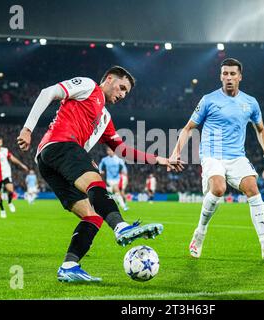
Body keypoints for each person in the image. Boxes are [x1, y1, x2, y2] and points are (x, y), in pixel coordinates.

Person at [17, 66, 183, 282]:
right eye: (121, 87)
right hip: (60, 145)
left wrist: (159, 159)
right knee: (95, 181)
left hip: (51, 161)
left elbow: (122, 150)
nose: (122, 94)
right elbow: (47, 93)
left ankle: (70, 265)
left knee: (92, 217)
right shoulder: (88, 86)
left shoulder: (105, 117)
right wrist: (27, 129)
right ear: (110, 79)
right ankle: (121, 227)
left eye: (126, 92)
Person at [169, 58, 264, 263]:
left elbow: (261, 129)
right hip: (212, 155)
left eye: (232, 74)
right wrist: (176, 152)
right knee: (219, 189)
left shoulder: (250, 102)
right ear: (220, 76)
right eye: (225, 74)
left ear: (240, 76)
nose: (228, 77)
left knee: (253, 189)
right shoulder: (208, 100)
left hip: (236, 156)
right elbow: (188, 128)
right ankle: (200, 232)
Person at [0, 136, 29, 218]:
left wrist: (22, 165)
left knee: (11, 190)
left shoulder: (5, 150)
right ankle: (2, 210)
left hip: (6, 174)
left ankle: (10, 202)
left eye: (0, 142)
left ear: (2, 143)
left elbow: (12, 158)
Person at [99, 147, 129, 211]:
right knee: (116, 192)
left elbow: (123, 167)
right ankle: (123, 206)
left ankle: (122, 206)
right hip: (109, 179)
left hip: (117, 179)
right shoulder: (105, 159)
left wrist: (125, 173)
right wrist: (100, 171)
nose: (110, 152)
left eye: (111, 150)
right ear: (107, 152)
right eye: (109, 151)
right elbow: (100, 165)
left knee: (115, 191)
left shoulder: (118, 159)